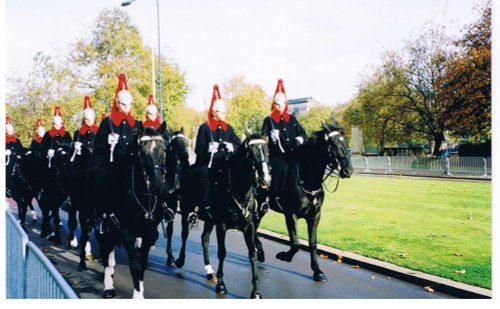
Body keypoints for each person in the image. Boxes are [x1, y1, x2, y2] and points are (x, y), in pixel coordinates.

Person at [90, 73, 141, 218]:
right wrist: (107, 141)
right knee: (98, 175)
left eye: (129, 104)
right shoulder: (108, 122)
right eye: (123, 104)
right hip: (111, 162)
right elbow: (97, 144)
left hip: (131, 162)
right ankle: (101, 212)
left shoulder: (137, 124)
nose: (127, 107)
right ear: (117, 104)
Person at [188, 84, 241, 223]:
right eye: (222, 112)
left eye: (225, 112)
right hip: (208, 164)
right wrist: (208, 148)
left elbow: (238, 144)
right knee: (204, 176)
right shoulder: (205, 128)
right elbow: (198, 148)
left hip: (225, 163)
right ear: (214, 112)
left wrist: (232, 146)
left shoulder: (228, 128)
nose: (225, 115)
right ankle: (199, 208)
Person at [261, 79, 306, 210]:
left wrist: (299, 139)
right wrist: (271, 136)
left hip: (293, 154)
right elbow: (262, 138)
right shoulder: (268, 120)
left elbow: (303, 133)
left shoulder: (291, 119)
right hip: (277, 156)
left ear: (285, 104)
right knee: (281, 169)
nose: (277, 106)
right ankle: (272, 198)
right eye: (275, 104)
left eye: (279, 104)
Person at [66, 96, 99, 248]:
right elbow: (72, 152)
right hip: (82, 165)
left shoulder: (99, 132)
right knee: (72, 175)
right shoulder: (78, 133)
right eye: (86, 118)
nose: (88, 121)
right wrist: (75, 149)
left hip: (95, 165)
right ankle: (70, 199)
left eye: (90, 118)